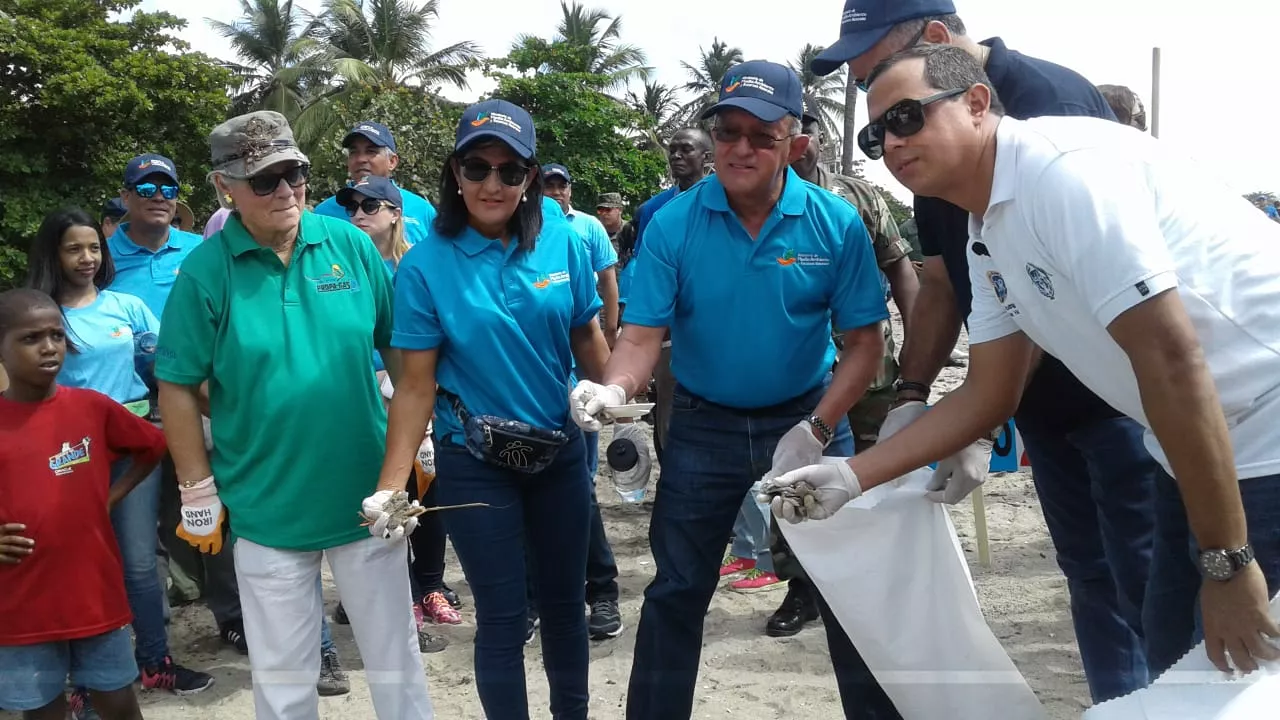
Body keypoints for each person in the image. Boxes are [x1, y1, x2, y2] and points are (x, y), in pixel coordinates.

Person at [772, 40, 1280, 686]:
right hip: (1191, 440)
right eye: (876, 136)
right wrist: (852, 474)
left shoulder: (1060, 176)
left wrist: (1228, 563)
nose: (892, 146)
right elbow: (989, 394)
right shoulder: (985, 229)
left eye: (907, 117)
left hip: (1264, 423)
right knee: (1177, 654)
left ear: (977, 101)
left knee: (1223, 673)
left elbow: (1174, 361)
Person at [810, 0, 1164, 703]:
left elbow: (1074, 292)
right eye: (875, 121)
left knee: (1153, 583)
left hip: (1122, 393)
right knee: (1090, 577)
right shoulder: (933, 156)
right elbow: (946, 283)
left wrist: (973, 419)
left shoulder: (1046, 110)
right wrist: (913, 397)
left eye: (882, 79)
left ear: (940, 48)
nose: (884, 126)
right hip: (1041, 401)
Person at [569, 60, 894, 720]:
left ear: (794, 144)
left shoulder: (834, 222)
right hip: (703, 424)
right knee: (678, 588)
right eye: (728, 131)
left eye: (761, 135)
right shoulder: (673, 224)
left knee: (846, 589)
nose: (741, 148)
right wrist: (613, 388)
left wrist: (822, 425)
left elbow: (865, 343)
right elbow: (641, 335)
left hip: (808, 419)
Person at [155, 110, 434, 720]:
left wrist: (417, 444)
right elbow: (176, 384)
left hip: (367, 499)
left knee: (395, 660)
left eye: (295, 174)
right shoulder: (205, 272)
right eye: (264, 180)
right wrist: (197, 488)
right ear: (224, 185)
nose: (285, 191)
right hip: (264, 504)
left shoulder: (351, 246)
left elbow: (404, 354)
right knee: (283, 679)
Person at [369, 98, 609, 720]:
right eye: (477, 167)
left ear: (530, 177)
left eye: (510, 170)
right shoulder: (425, 265)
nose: (492, 184)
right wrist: (392, 488)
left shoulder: (561, 236)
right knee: (502, 618)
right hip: (475, 460)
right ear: (455, 172)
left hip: (559, 450)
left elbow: (586, 334)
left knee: (563, 608)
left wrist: (612, 398)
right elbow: (416, 385)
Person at [759, 109, 921, 636]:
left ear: (815, 142)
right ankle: (802, 589)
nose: (800, 147)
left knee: (875, 474)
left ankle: (874, 585)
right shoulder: (755, 203)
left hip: (871, 369)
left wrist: (921, 351)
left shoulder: (859, 198)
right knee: (793, 480)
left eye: (807, 136)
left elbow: (901, 271)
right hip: (801, 372)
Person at [0, 288, 167, 720]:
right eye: (30, 338)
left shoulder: (92, 408)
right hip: (22, 606)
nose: (49, 347)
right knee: (43, 712)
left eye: (57, 334)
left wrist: (110, 497)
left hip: (95, 596)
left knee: (119, 704)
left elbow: (152, 446)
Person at [98, 153, 215, 696]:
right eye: (145, 185)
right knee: (142, 543)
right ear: (125, 197)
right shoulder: (102, 260)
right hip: (131, 416)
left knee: (221, 519)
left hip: (205, 403)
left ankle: (236, 617)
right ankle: (153, 651)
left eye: (168, 184)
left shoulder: (200, 251)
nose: (158, 193)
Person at [337, 174, 462, 635]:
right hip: (364, 402)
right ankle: (398, 591)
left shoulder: (420, 264)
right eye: (353, 208)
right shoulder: (343, 268)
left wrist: (411, 385)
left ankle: (429, 585)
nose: (359, 216)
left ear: (396, 213)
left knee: (427, 497)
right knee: (382, 498)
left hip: (420, 397)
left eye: (371, 206)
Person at [625, 128, 713, 457]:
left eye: (685, 150)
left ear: (707, 157)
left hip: (717, 331)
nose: (675, 156)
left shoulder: (734, 202)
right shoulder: (654, 210)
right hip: (669, 334)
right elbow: (644, 272)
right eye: (672, 150)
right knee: (669, 414)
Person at [314, 120, 436, 243]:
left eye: (371, 152)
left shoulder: (422, 210)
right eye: (353, 152)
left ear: (392, 161)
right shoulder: (323, 214)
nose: (361, 159)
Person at [543, 163, 621, 346]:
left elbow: (608, 279)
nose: (556, 192)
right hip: (544, 328)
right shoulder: (526, 228)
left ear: (570, 190)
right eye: (549, 186)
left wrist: (610, 330)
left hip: (585, 326)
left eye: (562, 186)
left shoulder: (589, 225)